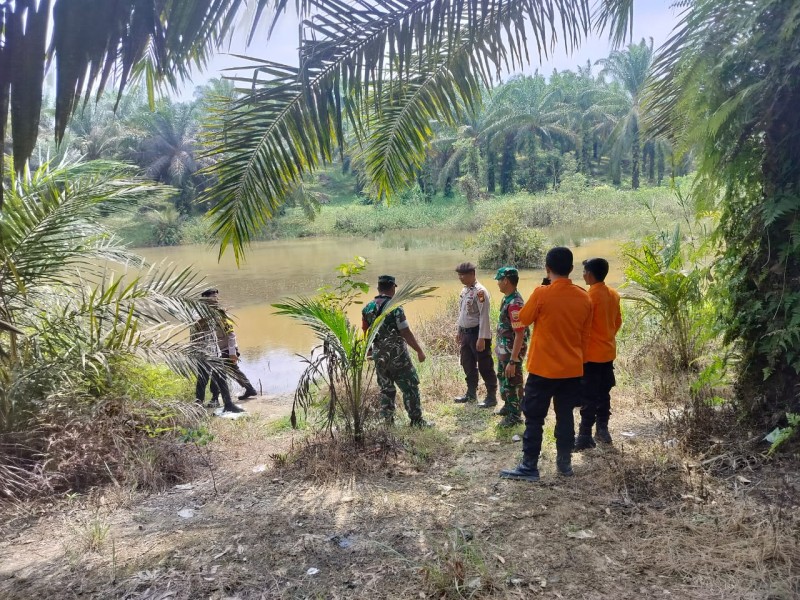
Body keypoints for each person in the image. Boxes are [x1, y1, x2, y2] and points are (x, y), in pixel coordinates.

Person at [500, 247, 592, 482]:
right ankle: (565, 465)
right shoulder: (585, 298)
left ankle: (529, 466)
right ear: (571, 269)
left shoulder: (541, 294)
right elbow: (585, 336)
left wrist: (541, 292)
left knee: (533, 418)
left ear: (547, 269)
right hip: (571, 369)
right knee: (565, 416)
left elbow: (523, 320)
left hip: (542, 369)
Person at [361, 275, 431, 427]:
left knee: (386, 388)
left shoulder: (367, 308)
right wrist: (419, 350)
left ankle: (388, 422)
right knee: (410, 386)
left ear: (379, 288)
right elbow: (405, 331)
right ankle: (416, 421)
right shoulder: (395, 307)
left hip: (379, 355)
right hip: (397, 355)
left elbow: (366, 332)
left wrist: (369, 352)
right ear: (392, 287)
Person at [575, 258, 622, 450]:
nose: (583, 274)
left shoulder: (588, 297)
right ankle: (603, 430)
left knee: (588, 396)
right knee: (604, 392)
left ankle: (585, 434)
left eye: (585, 271)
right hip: (608, 352)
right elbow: (617, 322)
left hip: (591, 355)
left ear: (591, 274)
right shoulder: (613, 294)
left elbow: (580, 325)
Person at [191, 289, 244, 414]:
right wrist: (213, 314)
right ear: (205, 298)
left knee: (221, 376)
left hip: (215, 349)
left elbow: (230, 332)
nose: (216, 300)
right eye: (213, 297)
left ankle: (228, 404)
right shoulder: (197, 310)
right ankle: (198, 404)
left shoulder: (219, 312)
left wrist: (232, 351)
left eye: (217, 297)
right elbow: (197, 324)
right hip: (202, 351)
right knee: (203, 378)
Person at [453, 262, 498, 407]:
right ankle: (471, 393)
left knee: (485, 365)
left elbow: (484, 316)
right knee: (467, 364)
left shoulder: (480, 292)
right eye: (459, 275)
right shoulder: (465, 291)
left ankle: (491, 396)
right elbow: (462, 313)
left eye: (463, 275)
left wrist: (482, 338)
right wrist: (459, 330)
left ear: (472, 274)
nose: (460, 277)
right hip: (466, 335)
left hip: (477, 334)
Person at [492, 267, 530, 427]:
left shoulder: (515, 304)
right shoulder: (507, 299)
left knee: (513, 381)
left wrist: (513, 361)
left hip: (511, 352)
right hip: (504, 349)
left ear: (506, 281)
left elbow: (520, 334)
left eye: (499, 280)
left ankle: (515, 415)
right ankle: (508, 406)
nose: (498, 284)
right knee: (503, 377)